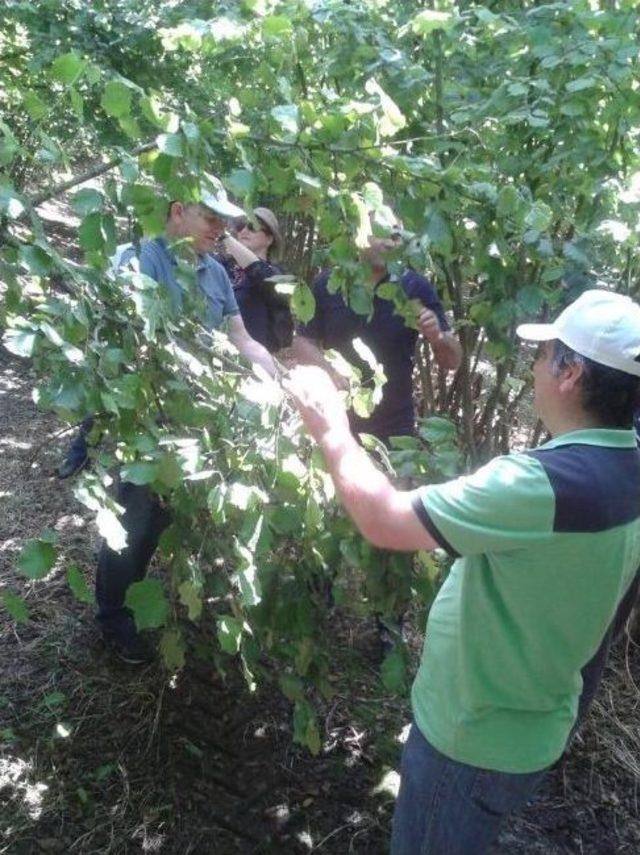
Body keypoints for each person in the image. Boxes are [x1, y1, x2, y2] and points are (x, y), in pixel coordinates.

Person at [285, 288, 640, 854]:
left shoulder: (543, 485)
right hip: (534, 725)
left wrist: (330, 426)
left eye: (545, 356)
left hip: (472, 740)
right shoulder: (628, 465)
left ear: (570, 373)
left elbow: (383, 520)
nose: (534, 369)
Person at [94, 189, 278, 663]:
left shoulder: (215, 271)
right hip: (142, 421)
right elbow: (131, 344)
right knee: (132, 518)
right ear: (178, 212)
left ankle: (133, 599)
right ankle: (112, 616)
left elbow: (240, 337)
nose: (222, 230)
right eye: (211, 218)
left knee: (160, 518)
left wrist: (278, 376)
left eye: (226, 221)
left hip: (194, 425)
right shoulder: (137, 259)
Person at [290, 227, 461, 443]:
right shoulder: (328, 283)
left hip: (394, 424)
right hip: (335, 417)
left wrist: (437, 337)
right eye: (383, 233)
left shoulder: (414, 287)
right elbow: (303, 341)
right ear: (360, 235)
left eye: (397, 237)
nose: (390, 243)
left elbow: (453, 361)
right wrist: (328, 372)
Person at [217, 207, 293, 353]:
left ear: (269, 239)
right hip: (218, 354)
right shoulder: (221, 265)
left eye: (252, 227)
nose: (244, 231)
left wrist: (224, 236)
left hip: (258, 362)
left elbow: (260, 273)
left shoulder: (283, 277)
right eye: (240, 227)